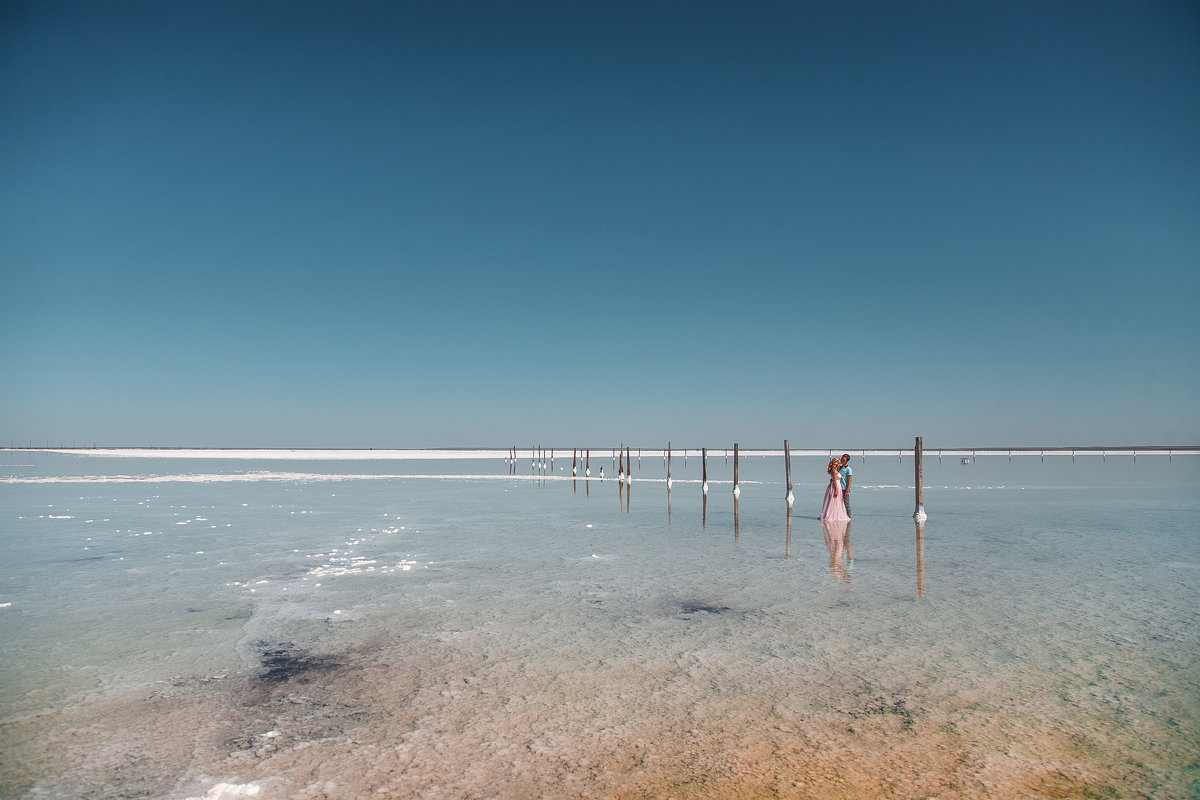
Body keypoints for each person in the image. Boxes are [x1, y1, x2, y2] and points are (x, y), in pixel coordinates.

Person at [838, 453, 853, 518]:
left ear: (846, 461)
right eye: (841, 459)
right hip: (838, 488)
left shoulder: (848, 469)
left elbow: (849, 480)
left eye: (843, 460)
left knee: (846, 503)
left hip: (844, 488)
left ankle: (849, 516)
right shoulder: (839, 467)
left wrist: (847, 490)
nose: (841, 460)